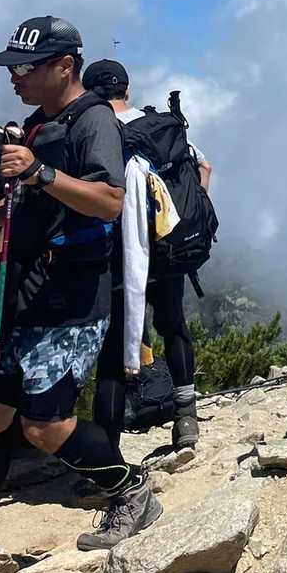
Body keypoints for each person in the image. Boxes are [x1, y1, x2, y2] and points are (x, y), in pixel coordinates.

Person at [0, 17, 162, 549]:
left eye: (24, 67)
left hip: (70, 295)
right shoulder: (40, 122)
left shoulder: (93, 121)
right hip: (28, 288)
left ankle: (131, 491)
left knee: (44, 425)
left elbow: (110, 201)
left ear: (64, 65)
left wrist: (38, 173)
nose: (14, 77)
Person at [83, 59, 212, 451]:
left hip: (118, 255)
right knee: (173, 325)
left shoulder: (96, 130)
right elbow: (204, 167)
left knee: (113, 350)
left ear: (90, 94)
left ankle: (108, 454)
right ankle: (186, 419)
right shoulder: (160, 126)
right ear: (127, 89)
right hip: (167, 246)